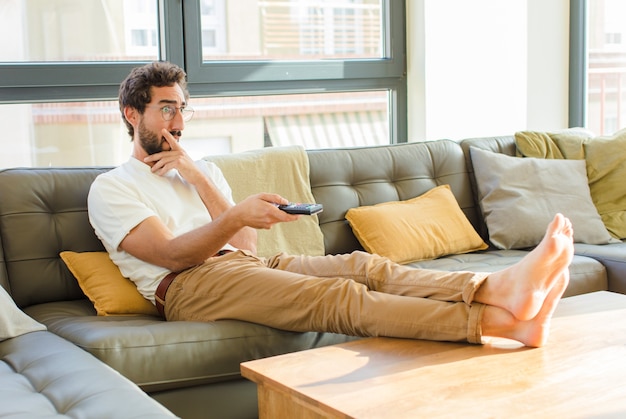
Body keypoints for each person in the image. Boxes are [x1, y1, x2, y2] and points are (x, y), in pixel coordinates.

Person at [88, 61, 574, 348]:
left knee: (364, 266)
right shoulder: (112, 187)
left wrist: (196, 175)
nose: (177, 121)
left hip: (245, 265)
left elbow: (245, 245)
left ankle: (494, 286)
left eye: (182, 108)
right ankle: (498, 322)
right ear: (133, 115)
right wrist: (236, 211)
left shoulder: (202, 170)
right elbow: (172, 255)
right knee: (338, 299)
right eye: (164, 108)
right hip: (188, 287)